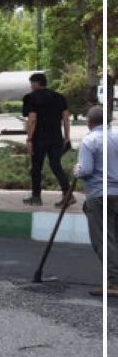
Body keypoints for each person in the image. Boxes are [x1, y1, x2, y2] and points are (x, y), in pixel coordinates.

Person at [72, 105, 118, 297]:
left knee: (104, 239)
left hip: (100, 195)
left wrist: (76, 170)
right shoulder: (116, 136)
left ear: (89, 123)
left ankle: (114, 282)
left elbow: (85, 170)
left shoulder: (90, 140)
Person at [22, 72, 72, 207]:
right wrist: (67, 137)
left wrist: (29, 140)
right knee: (56, 165)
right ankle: (68, 194)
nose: (31, 86)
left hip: (39, 138)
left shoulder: (30, 98)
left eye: (31, 83)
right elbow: (66, 118)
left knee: (36, 167)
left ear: (36, 83)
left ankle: (36, 197)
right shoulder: (59, 97)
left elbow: (32, 119)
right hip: (56, 137)